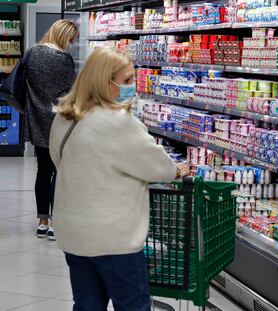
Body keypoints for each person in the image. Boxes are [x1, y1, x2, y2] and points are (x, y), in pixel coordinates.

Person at [49, 47, 189, 311]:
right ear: (104, 82)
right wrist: (178, 170)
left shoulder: (65, 116)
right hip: (113, 239)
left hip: (73, 234)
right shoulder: (118, 122)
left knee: (87, 304)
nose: (132, 86)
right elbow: (158, 167)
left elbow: (60, 161)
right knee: (132, 305)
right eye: (126, 81)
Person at [25, 19, 79, 240]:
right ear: (63, 36)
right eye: (71, 39)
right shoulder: (63, 59)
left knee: (43, 172)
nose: (71, 44)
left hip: (36, 118)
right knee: (60, 172)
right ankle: (56, 223)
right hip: (60, 122)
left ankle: (42, 222)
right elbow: (71, 90)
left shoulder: (31, 53)